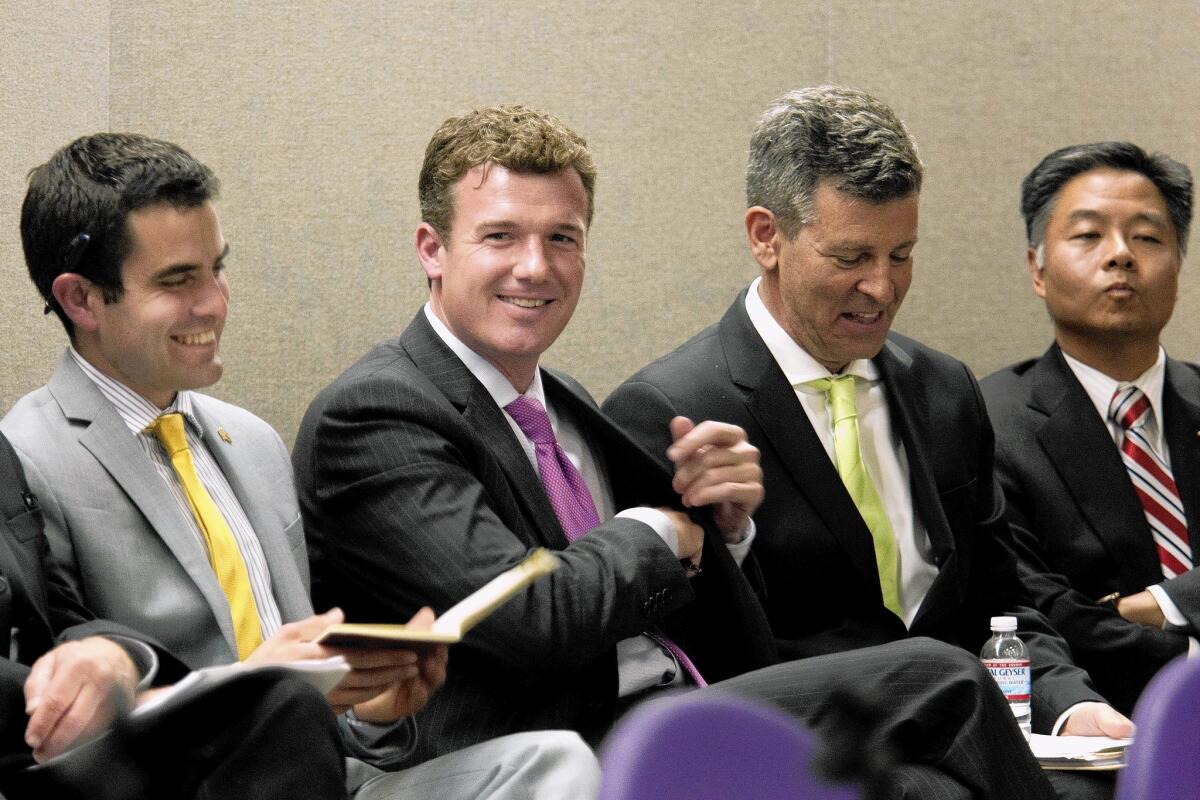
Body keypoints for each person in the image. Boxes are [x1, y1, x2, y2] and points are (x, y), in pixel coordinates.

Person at [294, 103, 1067, 800]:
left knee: (928, 787)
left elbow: (654, 585)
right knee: (944, 677)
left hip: (674, 703)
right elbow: (533, 614)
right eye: (500, 237)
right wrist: (662, 529)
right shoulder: (378, 410)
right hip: (545, 749)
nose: (536, 266)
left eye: (562, 237)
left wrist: (724, 528)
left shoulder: (560, 400)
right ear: (432, 249)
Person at [1, 132, 598, 799]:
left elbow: (329, 714)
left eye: (216, 269)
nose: (214, 303)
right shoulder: (29, 461)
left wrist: (373, 707)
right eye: (178, 281)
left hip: (327, 776)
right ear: (81, 299)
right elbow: (61, 737)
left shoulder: (248, 442)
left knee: (556, 761)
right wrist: (259, 687)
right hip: (191, 786)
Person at [603, 87, 1131, 799]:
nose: (881, 288)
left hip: (968, 733)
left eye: (902, 254)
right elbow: (688, 661)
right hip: (814, 760)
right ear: (766, 235)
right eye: (851, 256)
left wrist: (1071, 706)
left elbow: (1000, 602)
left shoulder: (944, 388)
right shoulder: (670, 410)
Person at [0, 429, 350, 799]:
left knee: (285, 706)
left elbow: (58, 612)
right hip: (42, 748)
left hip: (70, 756)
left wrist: (122, 658)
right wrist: (95, 701)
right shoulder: (41, 444)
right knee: (277, 709)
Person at [980, 142, 1199, 716]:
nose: (1121, 255)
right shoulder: (990, 422)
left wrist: (1152, 604)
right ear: (1038, 269)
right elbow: (1033, 610)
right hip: (1107, 723)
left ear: (1179, 262)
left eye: (1148, 237)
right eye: (1088, 236)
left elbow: (1085, 613)